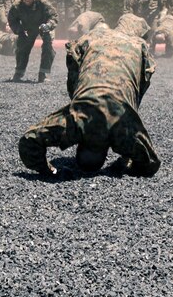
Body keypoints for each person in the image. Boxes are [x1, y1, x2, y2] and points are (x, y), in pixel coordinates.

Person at [17, 13, 160, 177]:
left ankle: (108, 20)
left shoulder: (124, 129)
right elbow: (29, 141)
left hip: (121, 101)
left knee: (125, 21)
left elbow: (150, 164)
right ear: (79, 142)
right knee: (105, 22)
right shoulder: (73, 123)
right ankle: (99, 19)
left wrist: (126, 157)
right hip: (98, 40)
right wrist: (48, 170)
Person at [7, 0, 58, 82]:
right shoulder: (17, 5)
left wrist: (48, 25)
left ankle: (44, 73)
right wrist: (19, 30)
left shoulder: (43, 2)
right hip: (28, 28)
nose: (27, 0)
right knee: (21, 47)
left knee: (48, 47)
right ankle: (19, 72)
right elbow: (12, 20)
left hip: (44, 27)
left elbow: (54, 16)